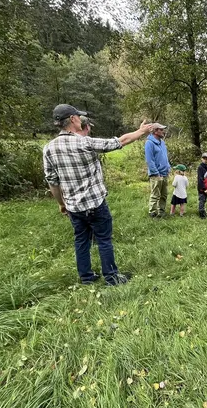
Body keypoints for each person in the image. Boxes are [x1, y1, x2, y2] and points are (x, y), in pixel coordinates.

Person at [43, 104, 155, 286]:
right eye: (78, 117)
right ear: (72, 119)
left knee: (81, 240)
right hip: (95, 204)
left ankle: (86, 277)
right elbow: (120, 142)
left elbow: (52, 181)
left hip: (73, 207)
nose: (80, 119)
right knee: (104, 240)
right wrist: (141, 131)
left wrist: (61, 203)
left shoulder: (48, 148)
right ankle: (111, 277)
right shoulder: (84, 142)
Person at [144, 124, 170, 218]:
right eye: (161, 129)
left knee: (164, 195)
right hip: (156, 174)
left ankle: (161, 212)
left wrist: (168, 167)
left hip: (165, 173)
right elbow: (149, 160)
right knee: (155, 195)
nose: (163, 131)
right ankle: (153, 213)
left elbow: (165, 157)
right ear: (155, 131)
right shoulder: (149, 143)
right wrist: (156, 173)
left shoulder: (162, 142)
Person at [197, 152, 207, 218]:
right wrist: (204, 188)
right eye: (204, 158)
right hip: (202, 187)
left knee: (204, 200)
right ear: (201, 159)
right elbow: (200, 179)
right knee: (202, 200)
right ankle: (201, 214)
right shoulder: (200, 167)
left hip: (206, 186)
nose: (205, 160)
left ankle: (203, 211)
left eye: (206, 158)